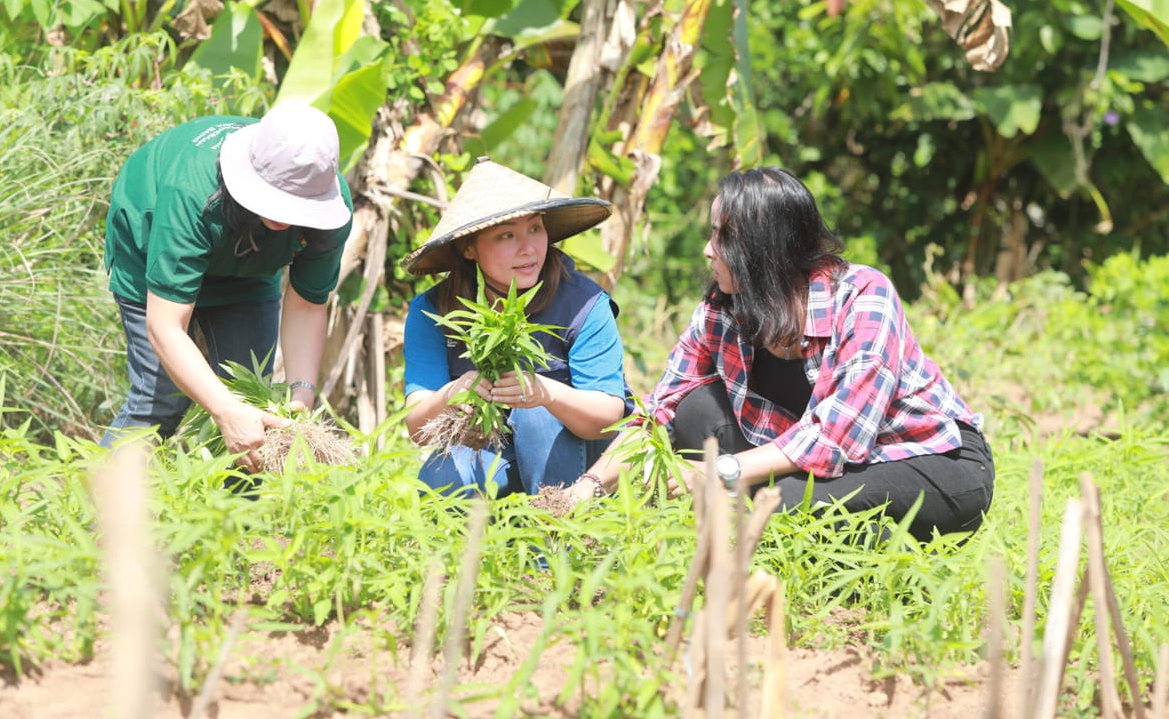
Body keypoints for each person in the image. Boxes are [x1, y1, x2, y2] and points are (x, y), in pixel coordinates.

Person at [567, 167, 994, 542]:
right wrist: (590, 484)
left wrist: (718, 471)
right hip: (811, 457)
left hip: (927, 458)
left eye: (722, 237)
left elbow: (833, 441)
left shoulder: (863, 298)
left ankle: (897, 561)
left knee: (784, 503)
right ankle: (773, 530)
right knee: (694, 410)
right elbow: (659, 411)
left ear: (763, 249)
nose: (707, 250)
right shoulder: (722, 310)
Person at [100, 102, 354, 475]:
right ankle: (91, 512)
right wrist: (223, 410)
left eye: (299, 208)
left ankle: (237, 528)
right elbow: (165, 326)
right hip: (152, 246)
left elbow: (307, 304)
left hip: (246, 269)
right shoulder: (190, 190)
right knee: (160, 401)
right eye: (280, 203)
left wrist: (301, 392)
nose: (286, 217)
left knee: (251, 397)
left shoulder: (331, 207)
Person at [402, 157, 630, 498]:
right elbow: (418, 427)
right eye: (507, 235)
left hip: (579, 459)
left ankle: (554, 541)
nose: (529, 249)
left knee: (535, 416)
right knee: (442, 477)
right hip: (493, 452)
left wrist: (546, 394)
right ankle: (472, 549)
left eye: (535, 228)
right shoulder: (434, 311)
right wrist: (450, 395)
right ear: (468, 247)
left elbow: (607, 416)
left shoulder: (584, 304)